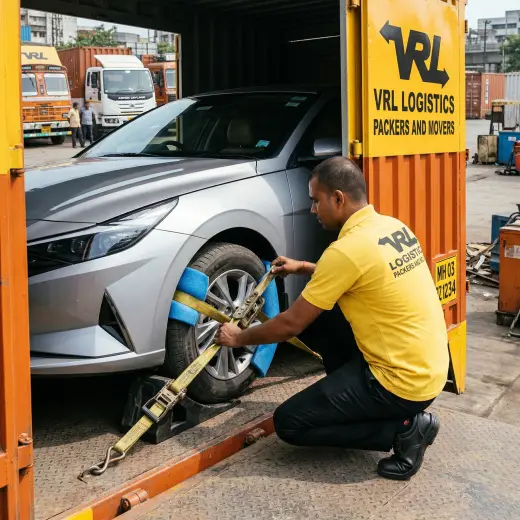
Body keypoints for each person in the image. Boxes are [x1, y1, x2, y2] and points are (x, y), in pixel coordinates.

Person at [215, 156, 449, 481]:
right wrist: (305, 267)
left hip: (401, 384)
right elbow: (363, 274)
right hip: (429, 367)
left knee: (290, 423)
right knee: (322, 320)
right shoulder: (392, 227)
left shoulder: (346, 250)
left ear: (337, 198)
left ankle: (404, 429)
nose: (312, 210)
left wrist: (236, 337)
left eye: (315, 200)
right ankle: (352, 398)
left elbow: (289, 325)